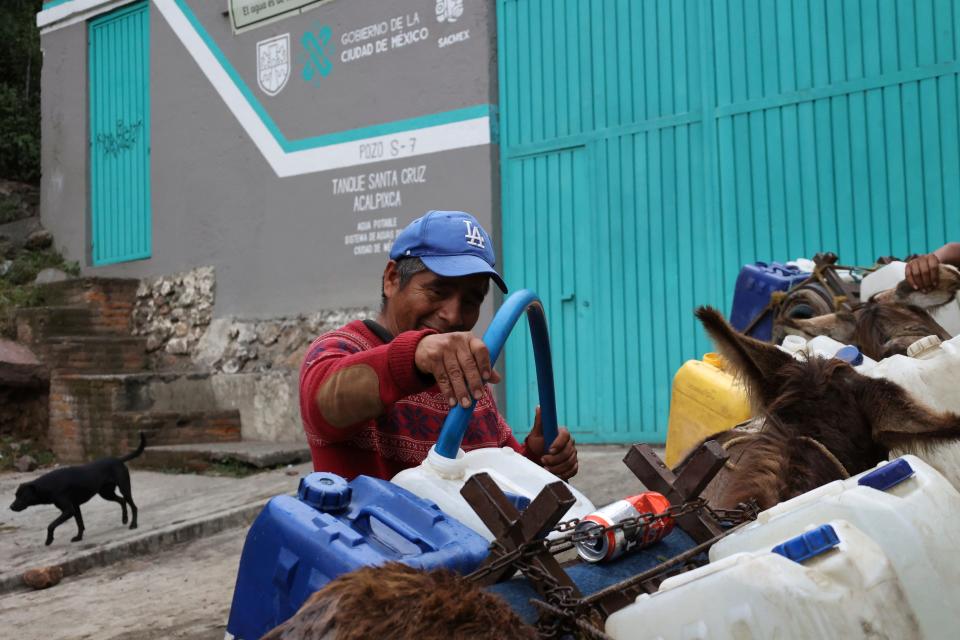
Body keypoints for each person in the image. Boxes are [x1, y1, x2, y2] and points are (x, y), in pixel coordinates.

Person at [299, 210, 579, 481]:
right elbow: (323, 404)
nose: (454, 315)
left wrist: (535, 458)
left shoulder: (468, 382)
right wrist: (414, 355)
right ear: (392, 279)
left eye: (471, 301)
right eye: (437, 291)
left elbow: (497, 488)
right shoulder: (342, 348)